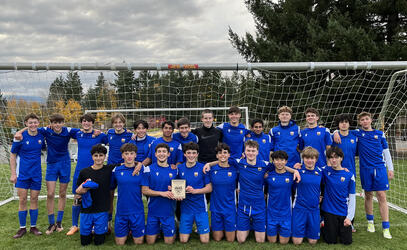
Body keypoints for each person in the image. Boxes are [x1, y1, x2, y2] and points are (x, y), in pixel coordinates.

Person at [15, 113, 80, 234]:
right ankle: (51, 224)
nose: (57, 125)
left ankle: (59, 222)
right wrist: (19, 132)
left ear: (63, 123)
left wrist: (96, 131)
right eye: (55, 122)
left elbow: (83, 130)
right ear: (51, 123)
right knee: (50, 194)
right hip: (51, 164)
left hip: (65, 164)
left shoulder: (69, 130)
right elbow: (31, 127)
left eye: (60, 122)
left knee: (62, 193)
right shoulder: (46, 130)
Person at [334, 111, 394, 239]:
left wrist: (391, 168)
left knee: (382, 196)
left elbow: (386, 151)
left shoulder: (380, 134)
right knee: (368, 195)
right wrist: (334, 132)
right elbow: (342, 130)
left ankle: (386, 227)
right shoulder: (357, 134)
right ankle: (370, 222)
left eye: (367, 119)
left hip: (380, 168)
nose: (365, 121)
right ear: (359, 122)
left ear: (371, 120)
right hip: (365, 169)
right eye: (362, 120)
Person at [67, 114, 108, 236]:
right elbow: (62, 130)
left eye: (89, 121)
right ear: (81, 123)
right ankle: (75, 225)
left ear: (92, 123)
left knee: (96, 196)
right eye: (84, 121)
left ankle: (96, 224)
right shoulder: (77, 133)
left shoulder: (99, 135)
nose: (86, 123)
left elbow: (112, 141)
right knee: (77, 196)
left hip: (96, 170)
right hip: (80, 171)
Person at [10, 113, 44, 238]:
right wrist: (13, 173)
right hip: (22, 175)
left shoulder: (41, 135)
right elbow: (12, 155)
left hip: (36, 175)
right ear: (26, 123)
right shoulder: (20, 137)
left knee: (34, 199)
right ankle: (22, 228)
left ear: (38, 123)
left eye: (35, 122)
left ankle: (33, 227)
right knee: (22, 199)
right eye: (30, 122)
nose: (33, 125)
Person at [75, 144, 115, 246]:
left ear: (105, 156)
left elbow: (127, 164)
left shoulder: (110, 169)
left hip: (101, 210)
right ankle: (90, 230)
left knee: (99, 242)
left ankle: (100, 229)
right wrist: (86, 185)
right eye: (96, 155)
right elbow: (78, 191)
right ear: (92, 157)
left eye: (101, 155)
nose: (98, 158)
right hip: (87, 210)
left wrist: (139, 164)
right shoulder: (84, 172)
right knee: (85, 242)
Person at [141, 143, 179, 244]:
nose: (161, 154)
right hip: (153, 212)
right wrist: (162, 193)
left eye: (164, 152)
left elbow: (179, 189)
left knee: (169, 242)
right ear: (155, 154)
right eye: (159, 152)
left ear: (168, 154)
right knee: (150, 242)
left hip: (168, 212)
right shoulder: (148, 169)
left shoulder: (175, 170)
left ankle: (173, 225)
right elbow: (144, 190)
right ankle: (157, 228)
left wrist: (175, 191)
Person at [111, 143, 146, 245]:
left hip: (137, 211)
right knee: (119, 243)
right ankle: (127, 230)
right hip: (122, 211)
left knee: (138, 243)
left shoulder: (143, 169)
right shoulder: (116, 170)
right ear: (122, 155)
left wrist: (140, 164)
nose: (129, 156)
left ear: (135, 155)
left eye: (132, 153)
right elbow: (111, 188)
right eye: (126, 154)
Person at [177, 142, 212, 243]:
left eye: (193, 153)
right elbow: (176, 186)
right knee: (183, 240)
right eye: (188, 153)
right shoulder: (179, 169)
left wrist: (195, 191)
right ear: (184, 154)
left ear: (197, 154)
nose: (191, 155)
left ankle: (201, 226)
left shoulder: (203, 168)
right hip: (186, 208)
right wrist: (176, 191)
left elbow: (209, 188)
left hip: (200, 207)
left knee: (205, 241)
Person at [321, 147, 355, 245]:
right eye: (331, 158)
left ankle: (346, 226)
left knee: (347, 242)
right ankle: (323, 222)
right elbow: (310, 168)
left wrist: (349, 217)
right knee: (331, 241)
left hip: (343, 211)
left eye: (336, 157)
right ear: (328, 159)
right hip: (329, 211)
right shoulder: (324, 171)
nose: (334, 160)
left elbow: (352, 198)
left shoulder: (349, 175)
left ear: (341, 158)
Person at [106, 113, 133, 231]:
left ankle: (128, 223)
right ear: (113, 124)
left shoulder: (129, 135)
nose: (118, 124)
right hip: (111, 169)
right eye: (115, 122)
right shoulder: (109, 133)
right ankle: (108, 223)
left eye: (120, 122)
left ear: (123, 123)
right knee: (109, 196)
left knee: (126, 196)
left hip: (124, 168)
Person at [292, 147, 322, 245]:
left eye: (312, 158)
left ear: (316, 159)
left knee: (313, 242)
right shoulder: (298, 171)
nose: (309, 161)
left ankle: (310, 230)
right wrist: (294, 170)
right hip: (299, 208)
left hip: (314, 209)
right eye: (307, 158)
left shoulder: (321, 172)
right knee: (297, 242)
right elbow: (282, 167)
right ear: (303, 159)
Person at [207, 143, 238, 242]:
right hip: (216, 208)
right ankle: (216, 227)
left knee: (230, 239)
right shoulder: (211, 170)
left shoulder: (235, 169)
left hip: (230, 208)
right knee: (217, 238)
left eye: (225, 153)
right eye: (220, 153)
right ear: (216, 156)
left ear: (229, 155)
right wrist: (208, 164)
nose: (222, 155)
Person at [265, 150, 294, 244]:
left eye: (282, 160)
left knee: (283, 242)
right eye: (276, 160)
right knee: (272, 241)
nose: (279, 162)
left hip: (286, 213)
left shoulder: (291, 176)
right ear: (273, 161)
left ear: (286, 161)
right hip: (271, 212)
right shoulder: (268, 175)